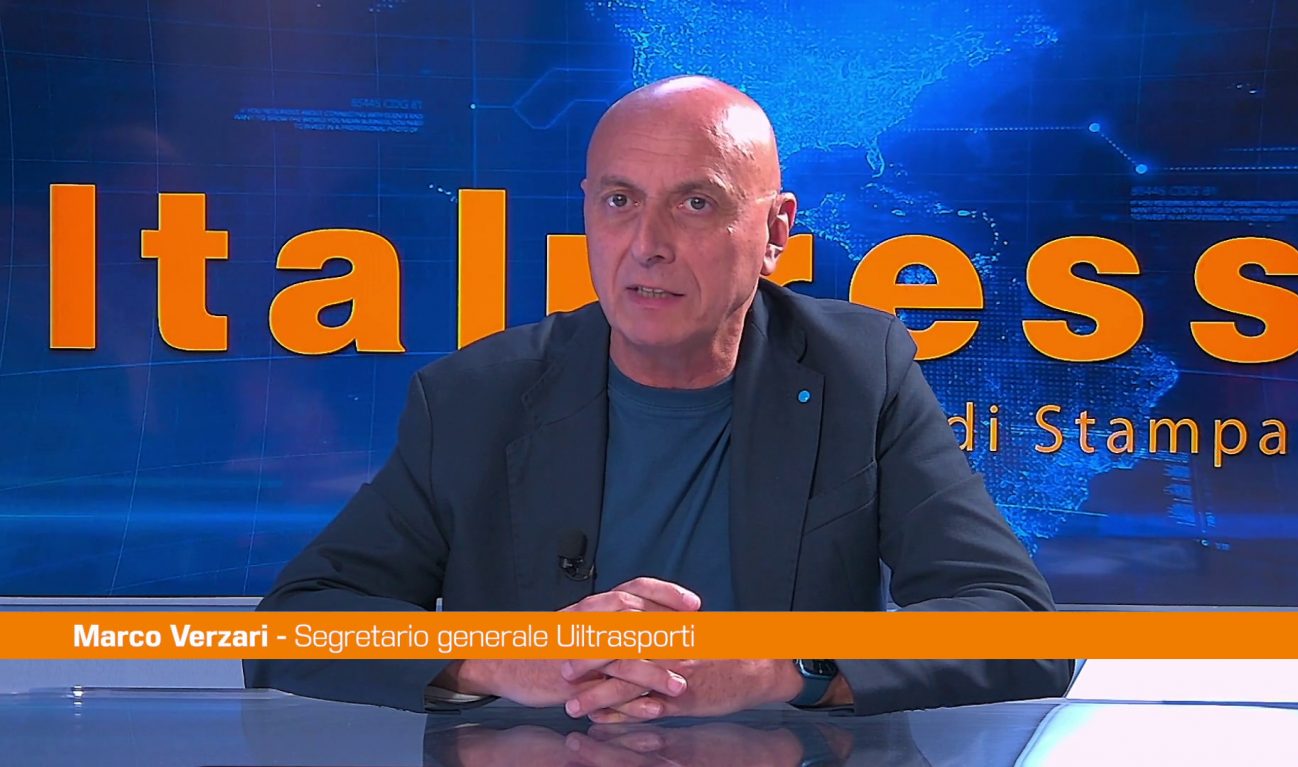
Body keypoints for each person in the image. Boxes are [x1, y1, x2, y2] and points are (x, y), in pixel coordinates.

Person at [244, 75, 1072, 720]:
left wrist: (782, 667)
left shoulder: (860, 371)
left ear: (776, 231)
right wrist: (502, 657)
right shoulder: (474, 396)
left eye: (696, 203)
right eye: (620, 202)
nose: (648, 245)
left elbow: (1021, 625)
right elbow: (293, 625)